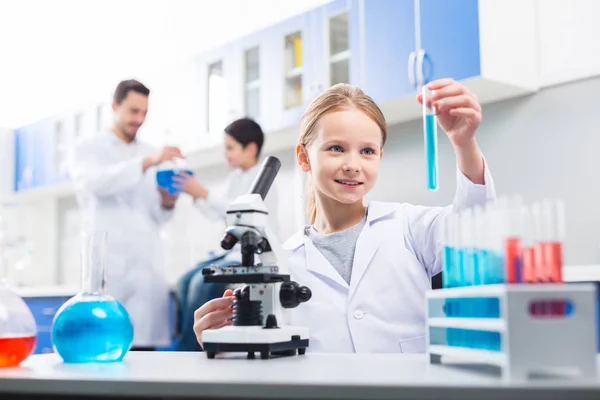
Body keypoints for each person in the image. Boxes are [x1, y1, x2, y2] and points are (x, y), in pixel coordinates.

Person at [192, 78, 497, 353]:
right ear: (303, 157)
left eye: (367, 151)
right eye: (336, 148)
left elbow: (474, 224)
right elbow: (266, 361)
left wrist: (464, 142)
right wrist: (222, 346)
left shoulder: (408, 227)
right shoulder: (281, 263)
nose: (353, 164)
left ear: (380, 156)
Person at [68, 79, 182, 351]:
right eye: (133, 111)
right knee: (102, 350)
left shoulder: (149, 152)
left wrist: (167, 203)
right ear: (115, 106)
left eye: (144, 113)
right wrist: (146, 162)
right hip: (109, 269)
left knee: (143, 355)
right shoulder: (87, 148)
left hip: (145, 268)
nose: (139, 119)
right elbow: (97, 183)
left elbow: (157, 216)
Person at [171, 117, 280, 351]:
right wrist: (196, 194)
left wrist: (203, 192)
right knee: (183, 282)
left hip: (254, 251)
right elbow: (221, 213)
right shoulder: (235, 178)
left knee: (201, 284)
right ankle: (181, 343)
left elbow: (238, 212)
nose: (225, 154)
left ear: (250, 148)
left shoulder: (264, 180)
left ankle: (190, 350)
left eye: (230, 148)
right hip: (231, 251)